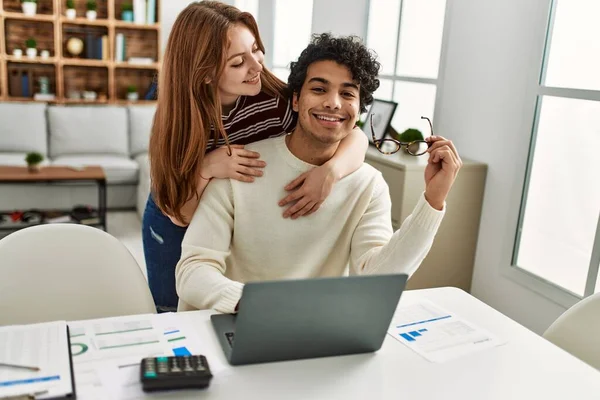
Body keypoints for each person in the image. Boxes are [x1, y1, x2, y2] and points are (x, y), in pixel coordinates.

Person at [175, 33, 463, 313]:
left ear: (359, 110)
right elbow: (193, 269)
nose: (333, 103)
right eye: (319, 89)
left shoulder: (369, 185)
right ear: (296, 100)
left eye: (347, 93)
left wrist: (433, 200)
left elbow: (378, 278)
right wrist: (251, 304)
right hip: (237, 320)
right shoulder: (240, 165)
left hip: (315, 331)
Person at [143, 2, 369, 312]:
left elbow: (354, 136)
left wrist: (330, 172)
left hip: (228, 210)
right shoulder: (179, 120)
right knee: (174, 310)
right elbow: (180, 213)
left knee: (224, 304)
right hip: (176, 214)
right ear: (205, 73)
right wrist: (207, 168)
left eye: (255, 50)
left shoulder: (273, 98)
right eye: (238, 62)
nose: (256, 66)